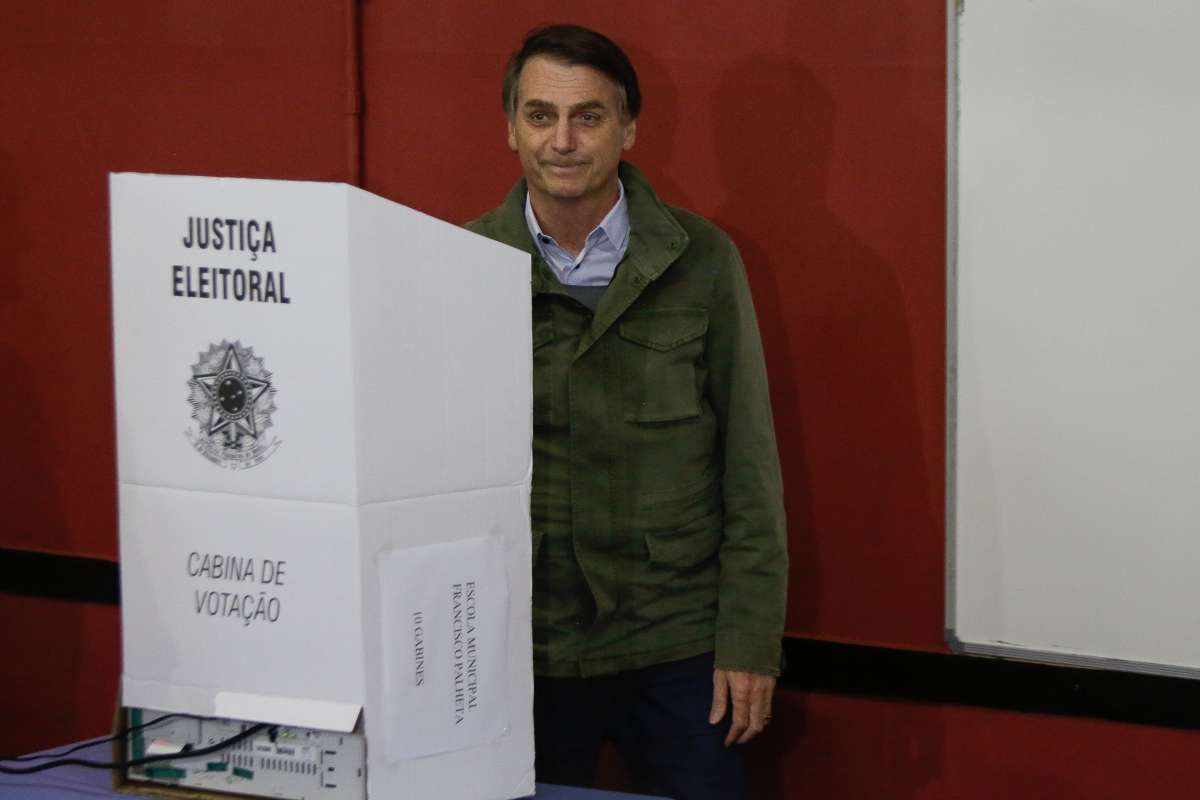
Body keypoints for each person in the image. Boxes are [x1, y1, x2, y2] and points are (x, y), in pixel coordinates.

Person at [466, 24, 787, 800]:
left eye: (589, 117)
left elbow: (749, 466)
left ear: (628, 128)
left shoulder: (702, 260)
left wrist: (749, 642)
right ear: (509, 127)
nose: (563, 141)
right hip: (525, 648)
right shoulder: (462, 266)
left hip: (676, 646)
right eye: (540, 116)